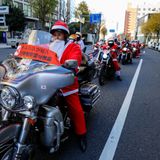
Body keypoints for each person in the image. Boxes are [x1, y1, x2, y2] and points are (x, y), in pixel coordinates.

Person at [49, 20, 87, 152]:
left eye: (59, 34)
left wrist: (69, 65)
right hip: (46, 82)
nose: (57, 37)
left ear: (65, 35)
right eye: (55, 34)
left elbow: (75, 59)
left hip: (65, 82)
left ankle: (81, 134)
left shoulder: (73, 47)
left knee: (75, 108)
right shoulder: (48, 46)